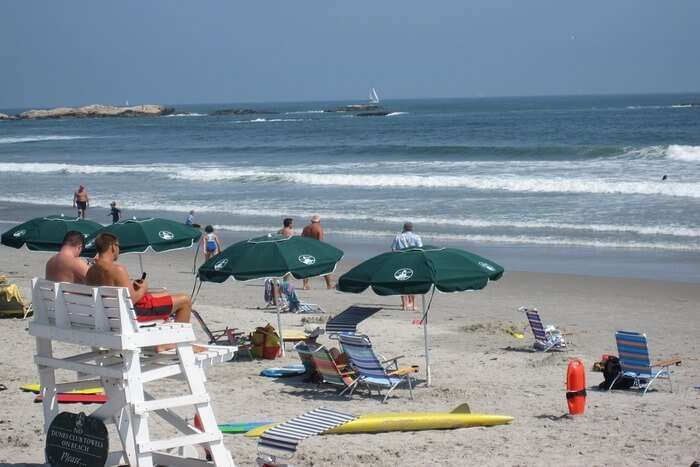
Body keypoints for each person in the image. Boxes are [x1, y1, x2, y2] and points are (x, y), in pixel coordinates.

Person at [84, 232, 198, 352]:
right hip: (131, 316)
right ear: (113, 247)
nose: (119, 250)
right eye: (118, 246)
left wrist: (133, 286)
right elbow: (131, 300)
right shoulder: (117, 269)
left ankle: (171, 342)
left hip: (108, 317)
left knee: (166, 295)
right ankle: (176, 344)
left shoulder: (90, 271)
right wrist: (143, 287)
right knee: (185, 300)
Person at [391, 222, 423, 311]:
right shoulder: (416, 237)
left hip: (401, 260)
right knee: (412, 282)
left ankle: (404, 305)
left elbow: (393, 249)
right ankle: (413, 305)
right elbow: (420, 249)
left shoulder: (398, 237)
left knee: (402, 281)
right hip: (413, 260)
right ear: (412, 228)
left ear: (404, 228)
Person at [301, 214, 334, 289]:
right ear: (319, 221)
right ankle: (329, 285)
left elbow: (302, 239)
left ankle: (305, 285)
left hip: (307, 249)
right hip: (316, 249)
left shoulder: (306, 228)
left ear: (311, 221)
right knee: (326, 266)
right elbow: (320, 242)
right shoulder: (319, 228)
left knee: (306, 267)